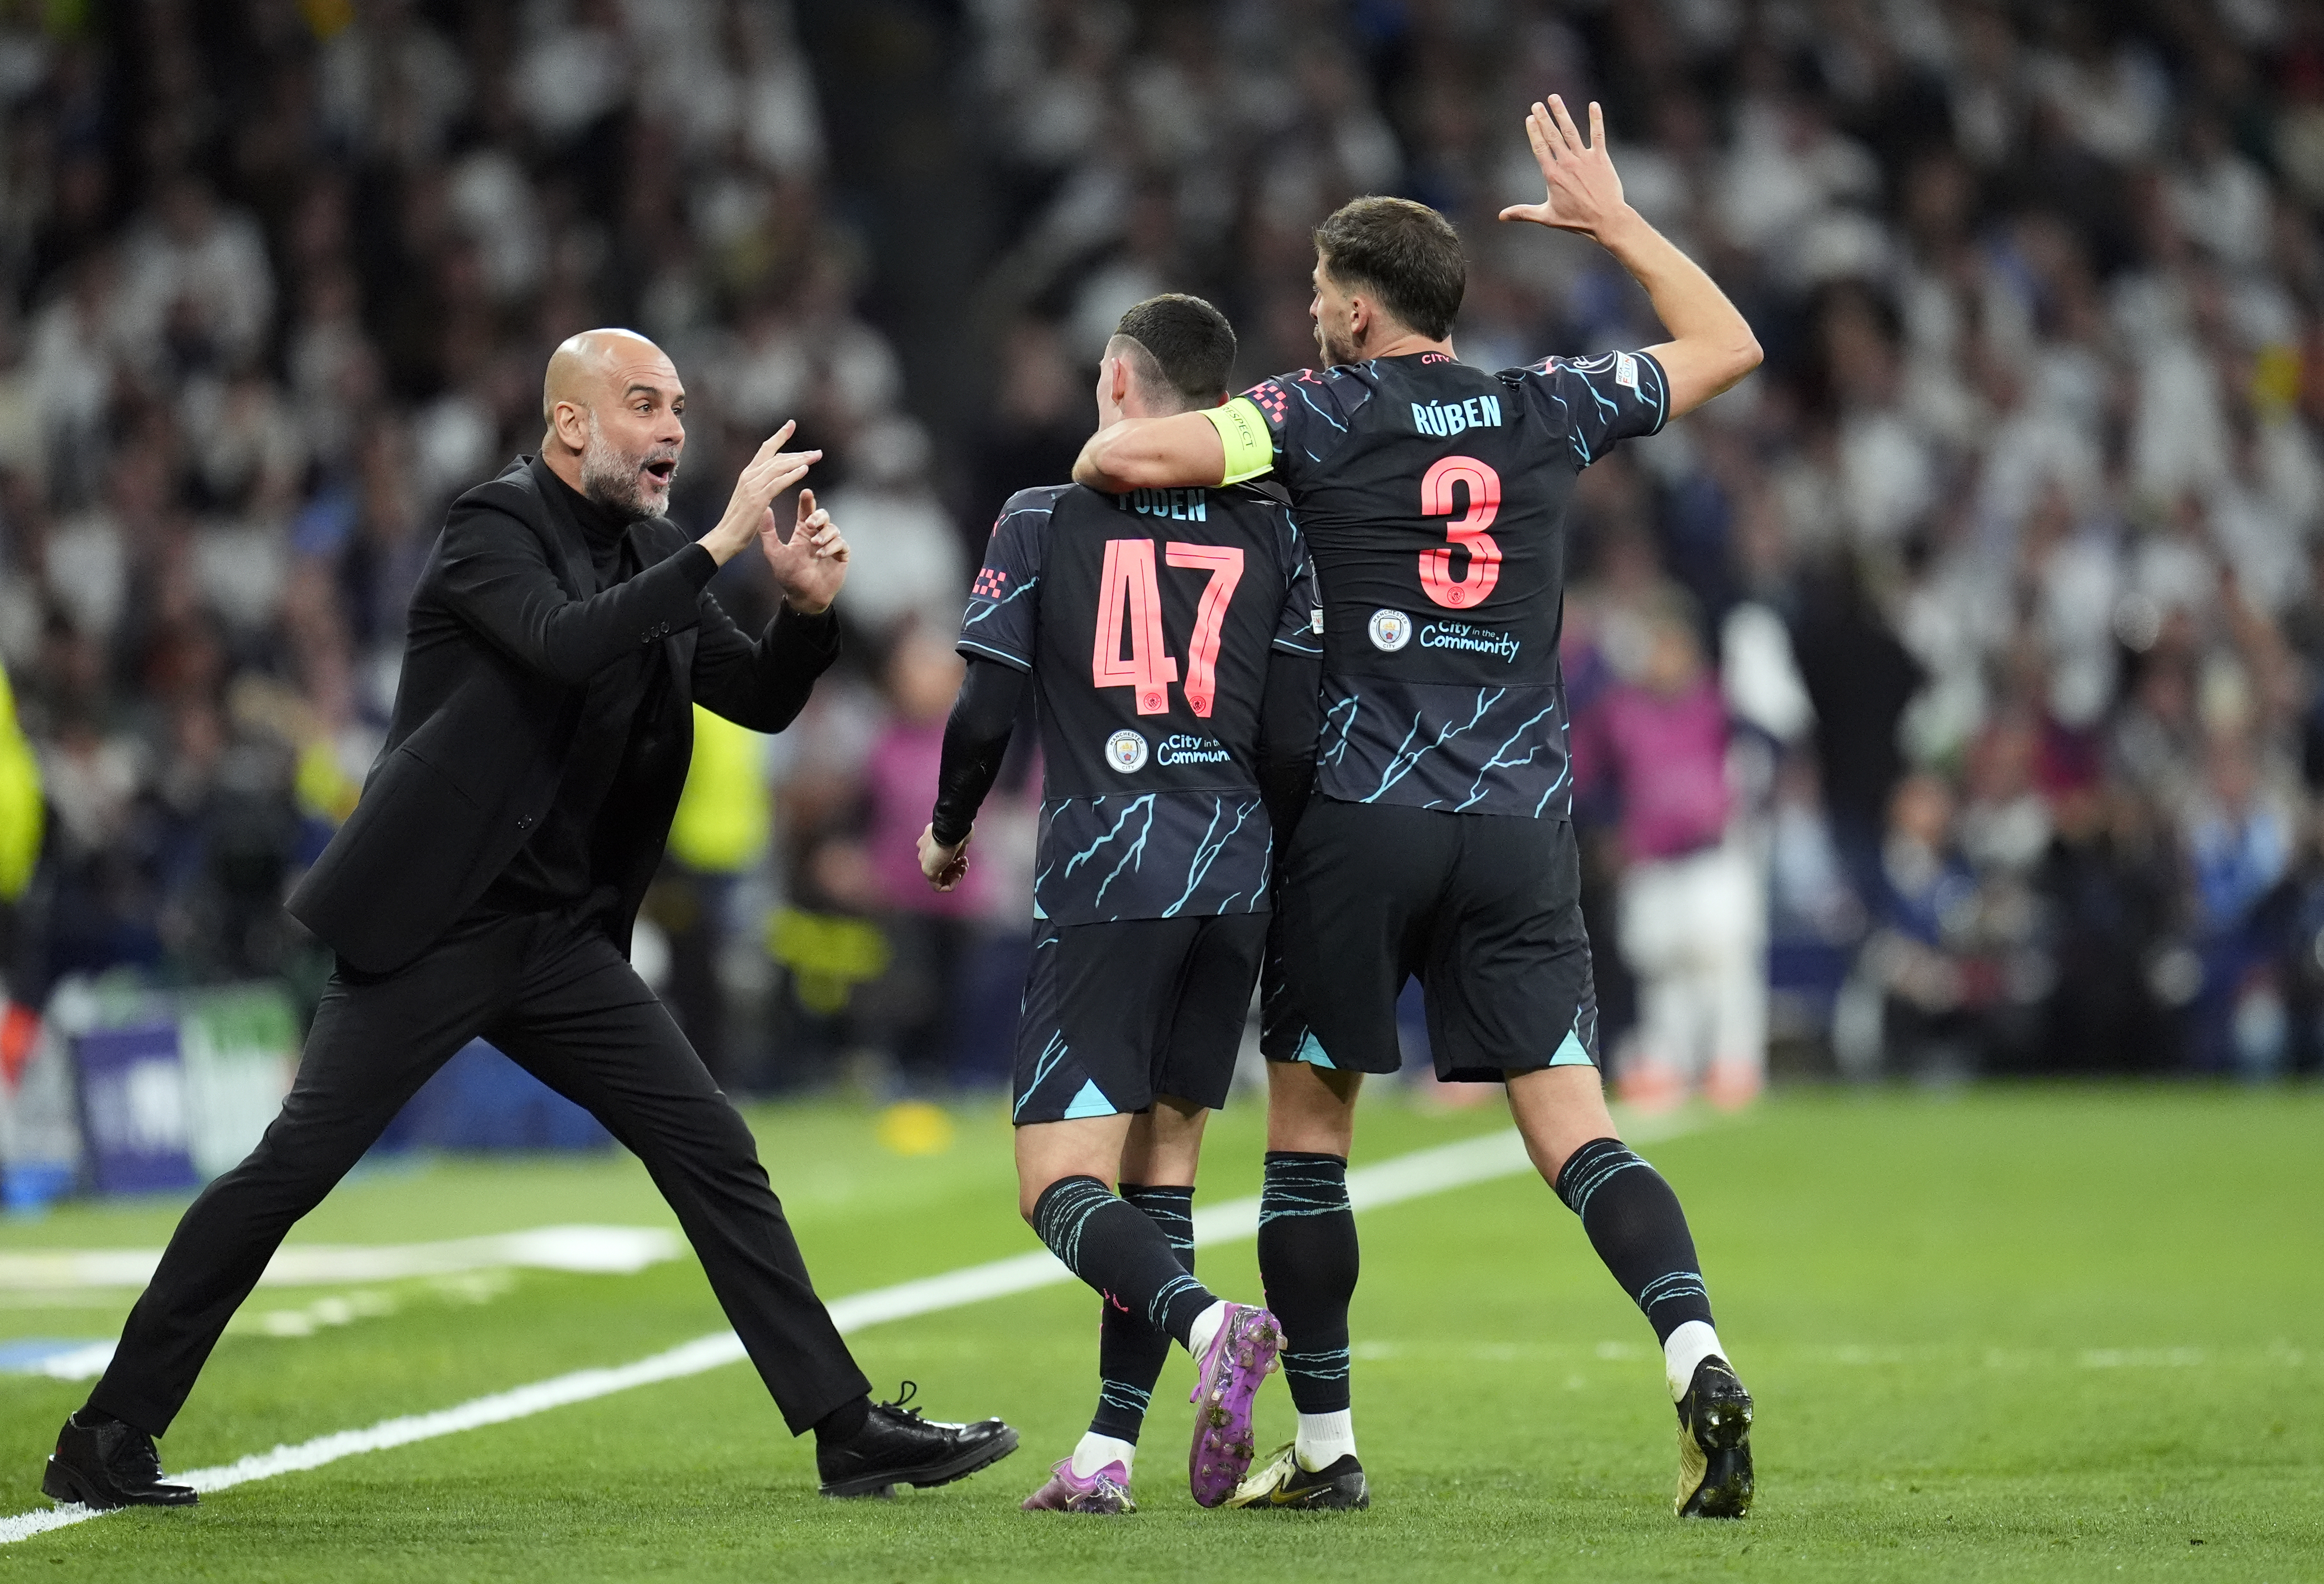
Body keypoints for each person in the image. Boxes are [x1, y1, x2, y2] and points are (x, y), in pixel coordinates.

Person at [42, 329, 1016, 1511]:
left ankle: (845, 1426)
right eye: (645, 406)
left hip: (558, 940)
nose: (673, 431)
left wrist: (805, 614)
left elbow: (756, 698)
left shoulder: (652, 548)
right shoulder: (492, 528)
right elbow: (564, 643)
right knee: (289, 1173)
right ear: (571, 425)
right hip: (436, 924)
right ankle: (108, 1433)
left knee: (712, 1147)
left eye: (680, 410)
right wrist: (717, 545)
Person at [1073, 99, 1764, 1518]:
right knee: (1574, 1123)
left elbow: (1125, 463)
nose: (1313, 317)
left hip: (1360, 816)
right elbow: (1728, 346)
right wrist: (1618, 221)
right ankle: (1692, 1345)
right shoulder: (1542, 405)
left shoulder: (1308, 412)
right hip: (1518, 824)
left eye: (1325, 298)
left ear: (1361, 311)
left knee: (1310, 1126)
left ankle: (1324, 1451)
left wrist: (1138, 442)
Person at [918, 295, 1323, 1513]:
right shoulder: (1275, 530)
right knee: (1163, 1179)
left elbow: (986, 710)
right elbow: (1297, 738)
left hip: (1109, 873)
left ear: (1117, 388)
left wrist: (945, 833)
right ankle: (1105, 1456)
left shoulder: (1042, 517)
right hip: (1234, 874)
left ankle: (1212, 1332)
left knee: (1057, 1185)